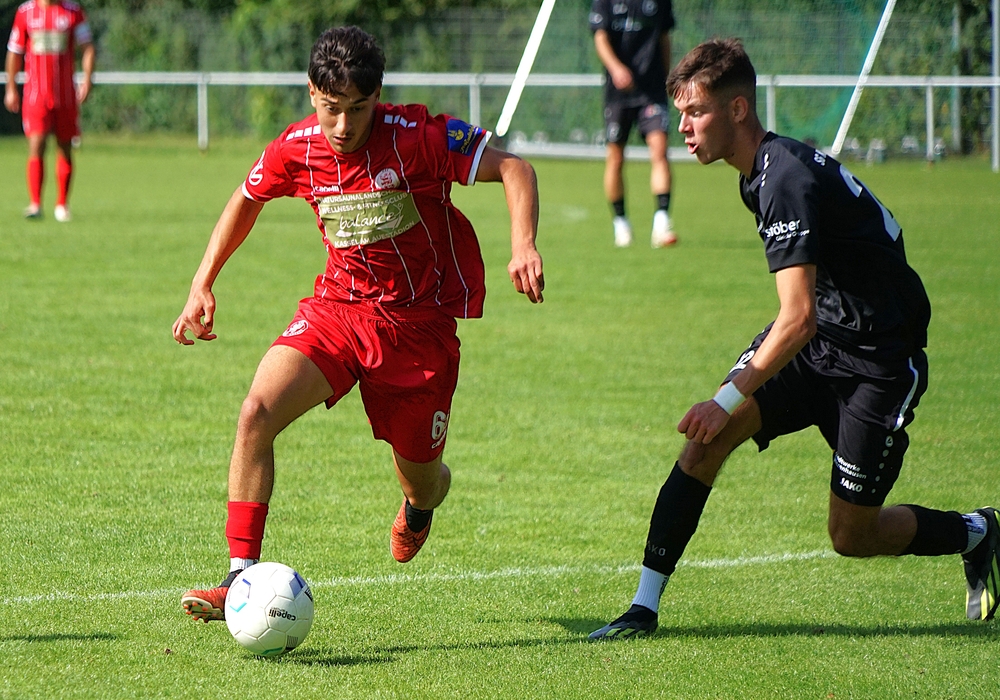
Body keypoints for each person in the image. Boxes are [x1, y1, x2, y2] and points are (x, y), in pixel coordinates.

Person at [589, 38, 999, 640]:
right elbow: (812, 311)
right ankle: (642, 609)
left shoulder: (782, 176)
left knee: (851, 534)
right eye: (680, 114)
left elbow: (796, 317)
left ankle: (978, 532)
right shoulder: (759, 174)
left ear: (737, 109)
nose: (683, 128)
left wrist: (725, 398)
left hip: (877, 361)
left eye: (696, 112)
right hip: (821, 340)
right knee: (704, 443)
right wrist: (727, 404)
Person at [173, 26, 544, 623]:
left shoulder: (421, 137)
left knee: (422, 479)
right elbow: (247, 197)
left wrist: (522, 244)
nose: (343, 125)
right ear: (311, 92)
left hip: (417, 330)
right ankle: (240, 577)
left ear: (379, 96)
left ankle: (420, 504)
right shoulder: (297, 147)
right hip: (337, 312)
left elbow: (515, 169)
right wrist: (202, 281)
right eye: (331, 108)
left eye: (359, 108)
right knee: (256, 412)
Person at [589, 0, 677, 248]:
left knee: (660, 151)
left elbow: (664, 38)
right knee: (616, 158)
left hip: (651, 91)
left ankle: (662, 223)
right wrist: (616, 69)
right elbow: (600, 37)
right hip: (618, 95)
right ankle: (621, 223)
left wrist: (668, 79)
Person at [4, 0, 94, 222]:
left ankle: (62, 204)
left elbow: (87, 47)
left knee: (65, 146)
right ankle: (35, 203)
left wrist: (87, 79)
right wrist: (11, 87)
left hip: (65, 95)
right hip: (36, 95)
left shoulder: (73, 12)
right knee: (36, 144)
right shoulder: (25, 13)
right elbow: (14, 52)